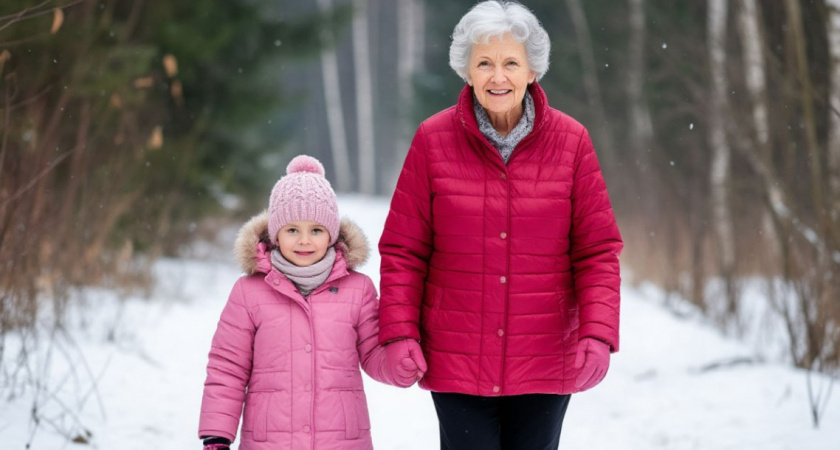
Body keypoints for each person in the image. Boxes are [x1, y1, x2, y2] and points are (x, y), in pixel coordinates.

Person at [378, 1, 623, 449]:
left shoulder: (572, 142)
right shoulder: (432, 139)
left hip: (545, 353)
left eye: (511, 63)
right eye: (484, 63)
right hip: (455, 353)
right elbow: (404, 250)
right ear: (467, 72)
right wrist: (399, 332)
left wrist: (598, 331)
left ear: (532, 71)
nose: (498, 77)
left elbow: (596, 251)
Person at [198, 155, 426, 450]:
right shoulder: (249, 292)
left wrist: (398, 365)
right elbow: (228, 367)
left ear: (331, 234)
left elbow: (373, 354)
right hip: (271, 442)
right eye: (292, 230)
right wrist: (217, 436)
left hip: (341, 441)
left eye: (316, 230)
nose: (304, 240)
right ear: (275, 234)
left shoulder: (358, 290)